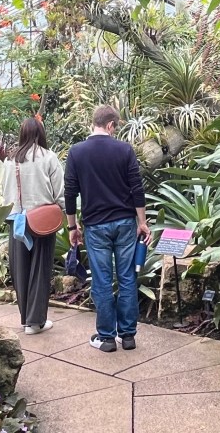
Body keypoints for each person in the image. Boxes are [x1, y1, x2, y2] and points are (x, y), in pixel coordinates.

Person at [65, 105, 151, 352]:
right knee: (127, 277)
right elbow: (137, 187)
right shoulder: (124, 149)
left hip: (95, 225)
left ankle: (105, 338)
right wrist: (142, 222)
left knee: (102, 281)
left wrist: (72, 226)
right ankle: (127, 336)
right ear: (111, 124)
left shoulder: (77, 152)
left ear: (95, 123)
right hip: (125, 223)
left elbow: (70, 192)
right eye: (116, 126)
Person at [2, 117, 64, 334]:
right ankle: (35, 322)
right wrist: (64, 212)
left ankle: (24, 319)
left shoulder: (11, 159)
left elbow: (3, 191)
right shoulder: (48, 157)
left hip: (16, 221)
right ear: (41, 134)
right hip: (42, 220)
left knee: (20, 269)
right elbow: (60, 192)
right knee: (40, 268)